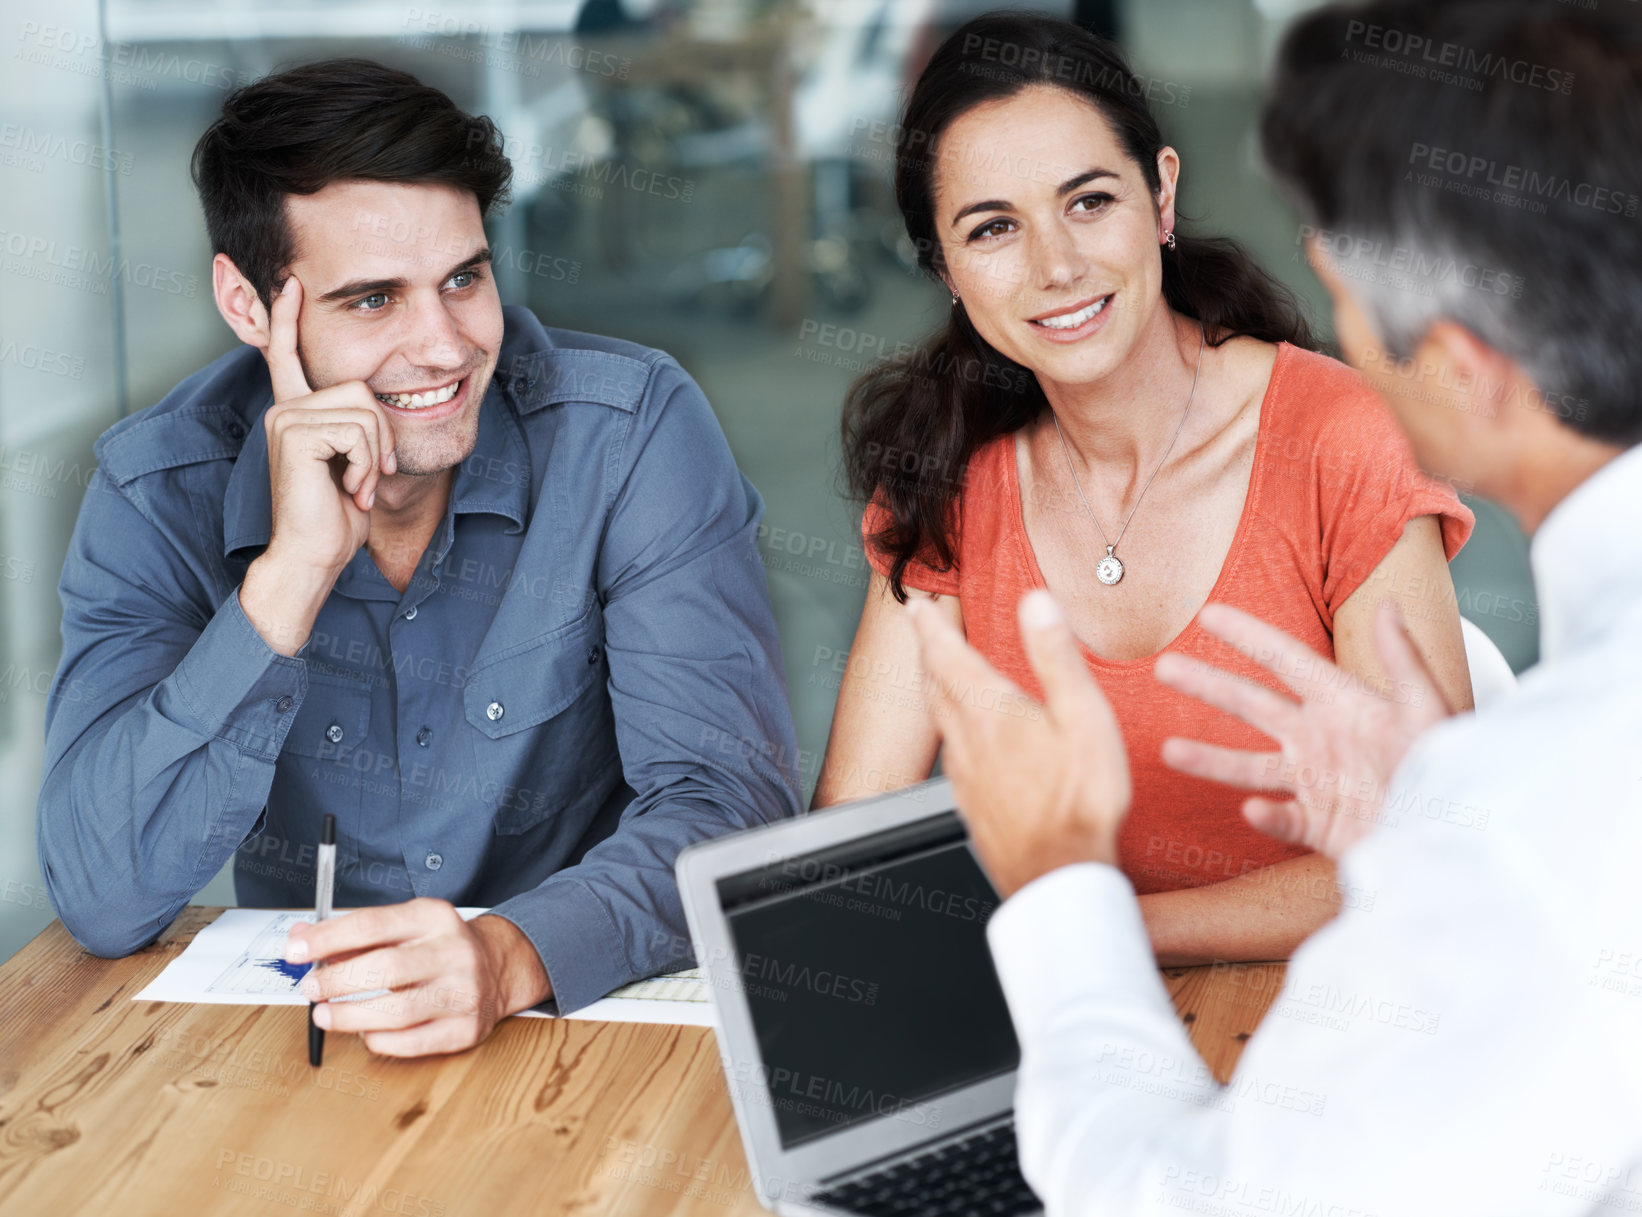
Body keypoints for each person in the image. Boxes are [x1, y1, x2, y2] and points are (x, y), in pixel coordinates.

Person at [908, 0, 1642, 1211]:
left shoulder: (1546, 812)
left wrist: (1058, 890)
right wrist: (1422, 828)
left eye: (1340, 279)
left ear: (1465, 369)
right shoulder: (1537, 796)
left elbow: (1195, 1199)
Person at [35, 60, 801, 1055]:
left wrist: (508, 953)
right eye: (371, 301)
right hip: (316, 1042)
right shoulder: (156, 494)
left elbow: (727, 801)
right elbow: (103, 893)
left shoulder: (627, 433)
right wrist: (290, 575)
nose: (445, 347)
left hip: (590, 1025)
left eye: (463, 279)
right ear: (249, 307)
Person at [813, 12, 1474, 966]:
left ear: (1161, 195)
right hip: (1071, 1029)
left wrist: (1098, 935)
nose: (1056, 265)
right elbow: (852, 844)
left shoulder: (1336, 437)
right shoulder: (946, 475)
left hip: (1336, 1026)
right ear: (944, 268)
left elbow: (1428, 847)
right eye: (993, 227)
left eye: (1089, 202)